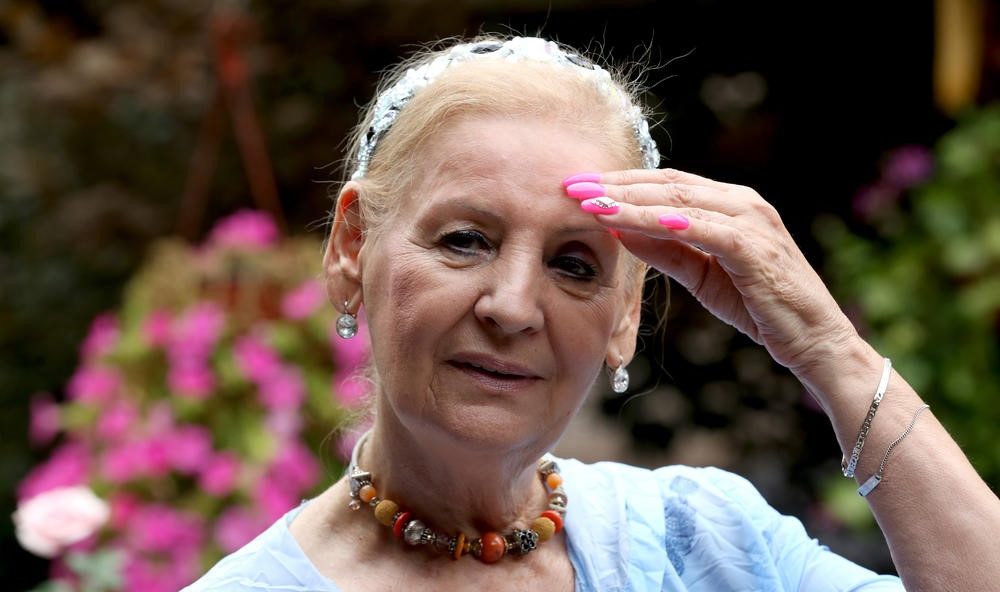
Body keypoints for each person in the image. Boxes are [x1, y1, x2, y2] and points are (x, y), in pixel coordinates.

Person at [184, 35, 1000, 591]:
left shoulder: (708, 545)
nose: (512, 307)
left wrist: (830, 351)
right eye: (465, 240)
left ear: (625, 316)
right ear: (352, 246)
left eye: (575, 265)